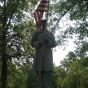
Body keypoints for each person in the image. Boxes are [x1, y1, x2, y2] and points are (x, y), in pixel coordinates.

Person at [31, 20, 56, 88]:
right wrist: (39, 42)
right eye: (42, 22)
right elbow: (32, 43)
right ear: (41, 24)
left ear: (47, 24)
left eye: (45, 22)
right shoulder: (37, 33)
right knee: (40, 71)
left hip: (47, 53)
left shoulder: (50, 34)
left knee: (48, 71)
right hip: (39, 53)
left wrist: (48, 40)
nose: (44, 24)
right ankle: (40, 86)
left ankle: (48, 86)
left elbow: (54, 44)